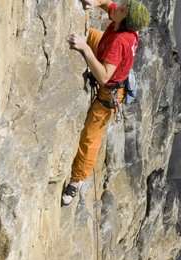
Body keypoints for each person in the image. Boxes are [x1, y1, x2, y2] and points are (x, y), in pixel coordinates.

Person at [62, 0, 150, 206]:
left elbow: (103, 76)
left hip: (109, 91)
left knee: (90, 136)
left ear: (125, 19)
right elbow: (107, 4)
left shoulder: (119, 42)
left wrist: (85, 49)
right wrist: (95, 2)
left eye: (122, 9)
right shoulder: (125, 25)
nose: (117, 6)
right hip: (106, 52)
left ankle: (78, 179)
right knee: (92, 33)